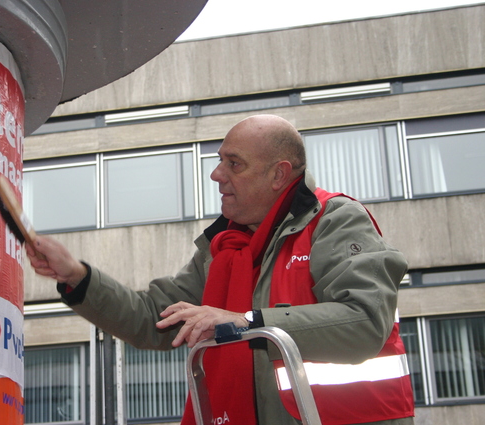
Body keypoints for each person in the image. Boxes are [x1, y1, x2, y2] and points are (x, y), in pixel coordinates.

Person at [27, 114, 415, 425]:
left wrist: (244, 321)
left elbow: (364, 322)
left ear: (279, 174)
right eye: (219, 160)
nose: (216, 174)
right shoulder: (223, 247)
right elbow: (153, 319)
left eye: (234, 164)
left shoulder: (336, 220)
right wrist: (77, 276)